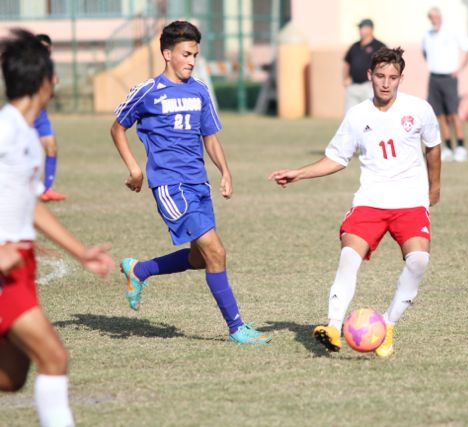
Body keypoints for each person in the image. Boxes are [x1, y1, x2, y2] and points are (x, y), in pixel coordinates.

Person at [269, 47, 441, 358]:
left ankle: (387, 325)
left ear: (401, 78)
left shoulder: (419, 109)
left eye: (392, 77)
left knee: (419, 261)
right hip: (370, 201)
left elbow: (433, 146)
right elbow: (336, 158)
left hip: (410, 201)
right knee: (349, 256)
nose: (386, 84)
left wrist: (435, 187)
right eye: (380, 77)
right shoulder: (358, 115)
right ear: (369, 76)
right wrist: (299, 173)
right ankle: (333, 326)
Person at [110, 21, 272, 344]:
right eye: (186, 54)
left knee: (200, 258)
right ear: (167, 53)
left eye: (195, 54)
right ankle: (237, 327)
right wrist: (135, 168)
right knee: (216, 251)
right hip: (171, 186)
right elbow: (117, 128)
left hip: (199, 185)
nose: (192, 61)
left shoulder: (199, 90)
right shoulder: (148, 92)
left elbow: (210, 138)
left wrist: (225, 171)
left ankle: (138, 270)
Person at [0, 29, 114, 427]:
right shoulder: (4, 131)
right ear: (43, 80)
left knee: (12, 379)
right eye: (54, 73)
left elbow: (31, 206)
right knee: (54, 358)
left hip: (21, 266)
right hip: (3, 270)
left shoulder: (28, 137)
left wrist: (79, 251)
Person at [422, 7, 468, 162]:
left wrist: (460, 69)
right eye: (431, 17)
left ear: (440, 17)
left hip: (449, 78)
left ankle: (461, 147)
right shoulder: (428, 35)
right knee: (439, 115)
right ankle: (448, 147)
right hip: (434, 78)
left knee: (453, 113)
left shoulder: (451, 32)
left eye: (436, 16)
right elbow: (424, 53)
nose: (434, 19)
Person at [34, 33, 66, 202]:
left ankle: (47, 189)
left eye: (46, 47)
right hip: (27, 116)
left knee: (52, 148)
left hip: (42, 116)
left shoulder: (49, 68)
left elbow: (49, 95)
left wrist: (52, 84)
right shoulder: (28, 66)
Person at [343, 19, 386, 113]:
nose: (360, 30)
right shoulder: (355, 46)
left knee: (371, 113)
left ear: (370, 29)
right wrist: (345, 79)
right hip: (354, 86)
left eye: (362, 27)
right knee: (350, 114)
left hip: (370, 86)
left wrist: (379, 81)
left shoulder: (379, 46)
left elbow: (386, 65)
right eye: (360, 28)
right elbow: (346, 62)